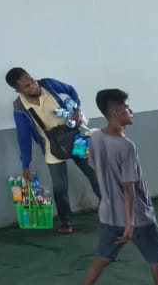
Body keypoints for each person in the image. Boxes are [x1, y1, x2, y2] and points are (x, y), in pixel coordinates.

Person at [74, 89, 158, 285]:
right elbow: (129, 187)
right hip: (135, 215)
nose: (131, 112)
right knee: (156, 256)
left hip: (108, 212)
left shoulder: (95, 136)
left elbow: (95, 169)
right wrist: (129, 224)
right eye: (128, 109)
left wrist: (108, 197)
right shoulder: (126, 146)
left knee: (104, 256)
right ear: (117, 113)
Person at [7, 68, 102, 236]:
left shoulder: (48, 84)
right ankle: (66, 222)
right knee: (59, 186)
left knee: (93, 173)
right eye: (27, 86)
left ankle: (109, 212)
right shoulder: (20, 107)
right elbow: (23, 137)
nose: (34, 86)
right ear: (18, 90)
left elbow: (71, 90)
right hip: (52, 147)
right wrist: (25, 166)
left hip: (75, 138)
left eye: (33, 80)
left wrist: (76, 110)